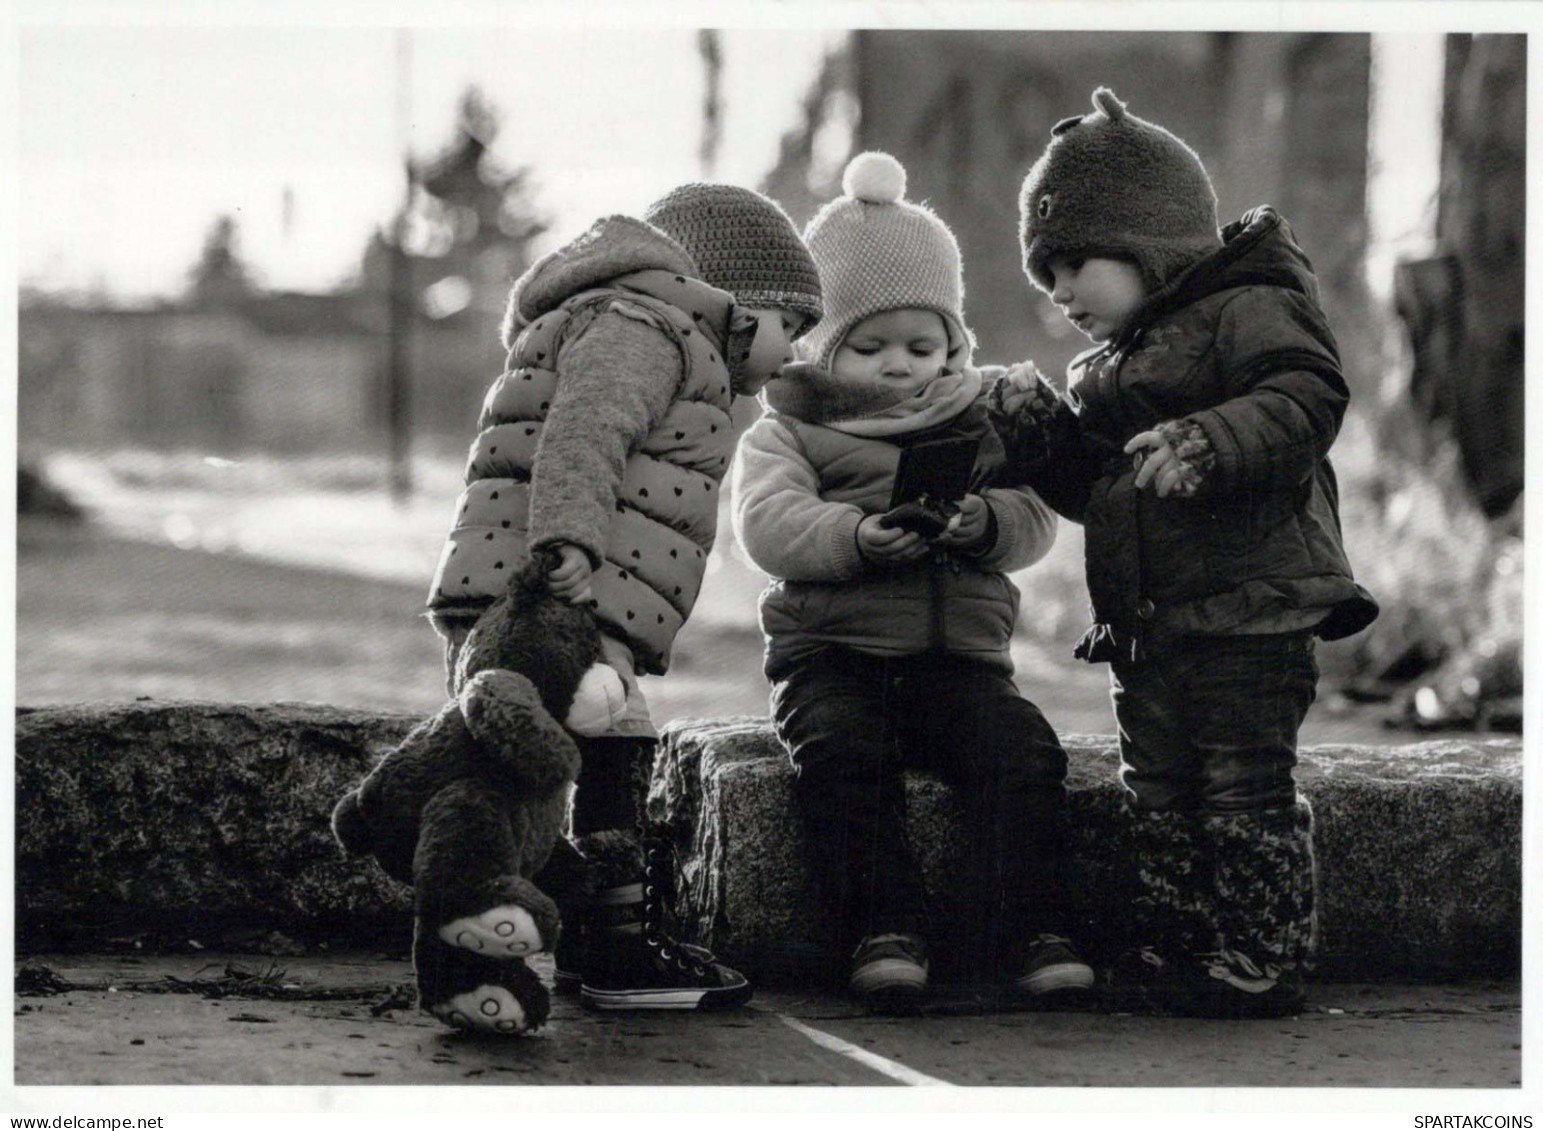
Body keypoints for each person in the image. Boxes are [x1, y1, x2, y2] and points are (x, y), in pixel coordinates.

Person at [991, 87, 1379, 1018]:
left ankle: (1261, 951)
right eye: (1046, 276)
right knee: (1155, 787)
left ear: (1150, 240)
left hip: (1253, 607)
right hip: (1151, 624)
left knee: (1244, 784)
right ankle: (1174, 943)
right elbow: (1102, 492)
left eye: (1074, 262)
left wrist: (1206, 440)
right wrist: (1041, 436)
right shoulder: (1104, 372)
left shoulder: (1250, 304)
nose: (1060, 293)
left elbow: (1303, 398)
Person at [426, 182, 823, 1012]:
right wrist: (565, 541)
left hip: (549, 591)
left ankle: (578, 936)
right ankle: (610, 946)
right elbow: (586, 427)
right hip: (553, 590)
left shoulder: (657, 333)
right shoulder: (643, 327)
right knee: (582, 749)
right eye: (795, 325)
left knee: (535, 772)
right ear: (736, 302)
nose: (796, 353)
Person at [731, 151, 1094, 1012]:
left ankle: (1026, 924)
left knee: (1021, 753)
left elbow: (1036, 515)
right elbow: (767, 522)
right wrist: (856, 536)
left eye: (923, 345)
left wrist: (987, 524)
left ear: (954, 344)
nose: (900, 365)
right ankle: (880, 925)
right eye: (871, 346)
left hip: (958, 660)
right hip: (834, 657)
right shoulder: (792, 427)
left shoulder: (978, 417)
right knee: (843, 759)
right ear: (822, 344)